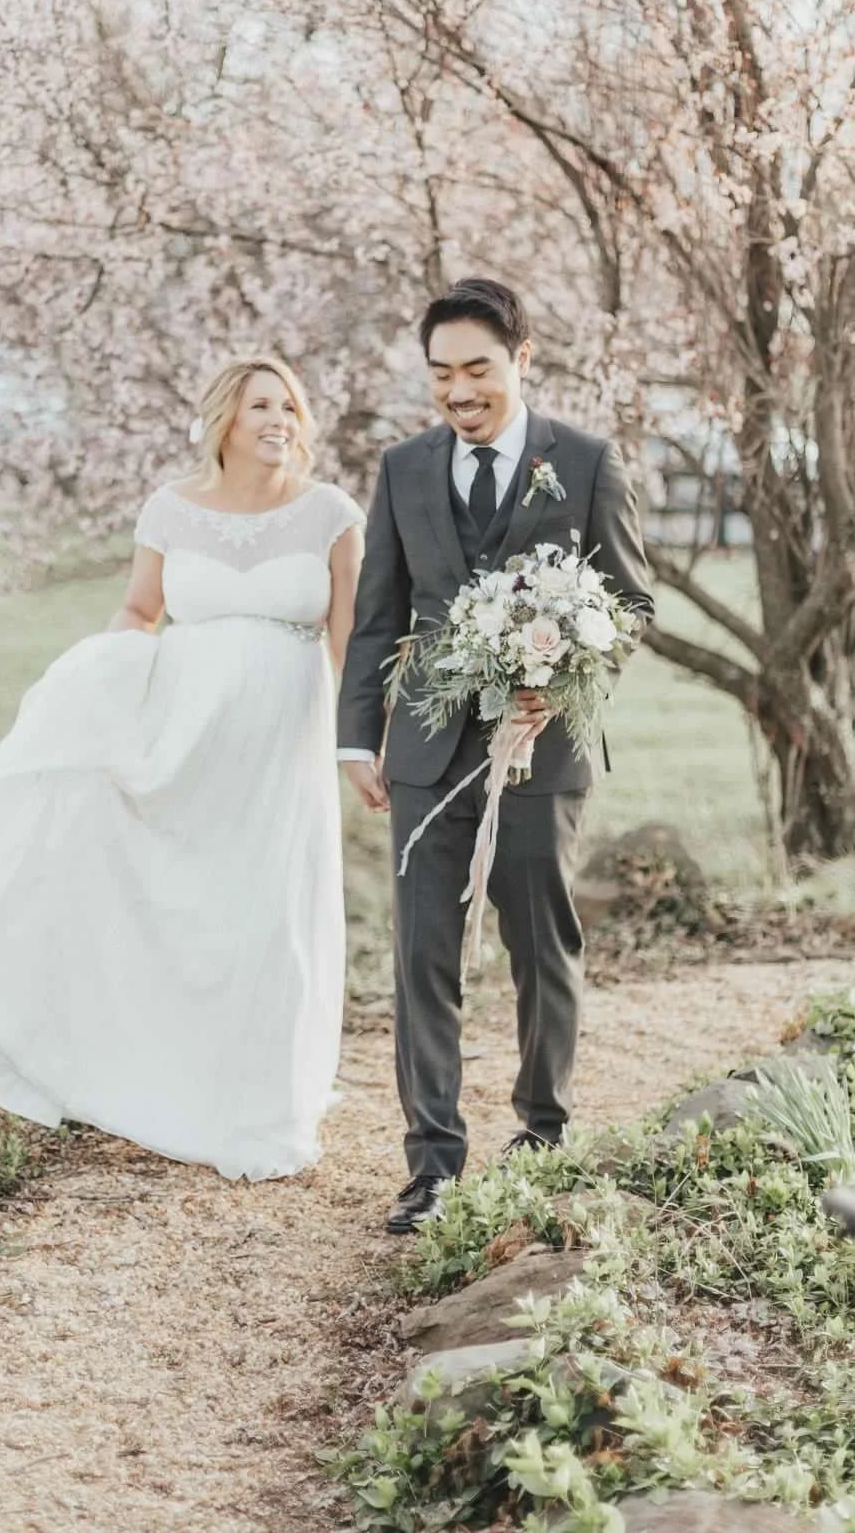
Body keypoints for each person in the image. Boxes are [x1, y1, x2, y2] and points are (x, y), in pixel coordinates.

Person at [0, 356, 366, 1183]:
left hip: (281, 747)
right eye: (261, 405)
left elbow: (348, 640)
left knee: (270, 910)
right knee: (182, 900)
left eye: (290, 405)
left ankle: (265, 1102)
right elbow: (141, 611)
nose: (280, 418)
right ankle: (166, 1074)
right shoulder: (171, 509)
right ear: (225, 420)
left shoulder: (329, 514)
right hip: (182, 736)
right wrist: (98, 692)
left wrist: (362, 746)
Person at [336, 279, 654, 1233]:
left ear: (523, 359)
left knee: (538, 942)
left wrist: (561, 672)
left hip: (541, 750)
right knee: (422, 953)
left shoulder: (588, 463)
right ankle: (432, 1163)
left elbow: (632, 607)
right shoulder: (403, 469)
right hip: (428, 752)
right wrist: (359, 736)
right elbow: (376, 617)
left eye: (478, 368)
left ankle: (542, 1136)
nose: (459, 390)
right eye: (442, 374)